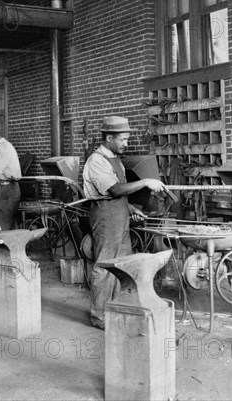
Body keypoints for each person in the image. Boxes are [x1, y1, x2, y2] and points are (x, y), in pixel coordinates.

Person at [82, 116, 167, 330]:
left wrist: (130, 209)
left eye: (127, 139)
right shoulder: (97, 160)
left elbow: (119, 194)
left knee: (123, 263)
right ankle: (100, 315)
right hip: (105, 216)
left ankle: (118, 307)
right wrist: (146, 182)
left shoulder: (114, 158)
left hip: (119, 213)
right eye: (122, 139)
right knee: (104, 265)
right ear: (109, 138)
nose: (126, 144)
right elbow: (115, 190)